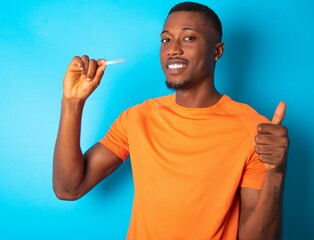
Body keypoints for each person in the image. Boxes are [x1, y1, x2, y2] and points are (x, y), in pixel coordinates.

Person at [53, 2, 289, 239]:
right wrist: (72, 102)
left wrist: (275, 173)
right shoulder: (137, 118)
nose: (173, 49)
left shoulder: (253, 130)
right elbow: (68, 188)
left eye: (188, 38)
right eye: (166, 40)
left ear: (217, 51)